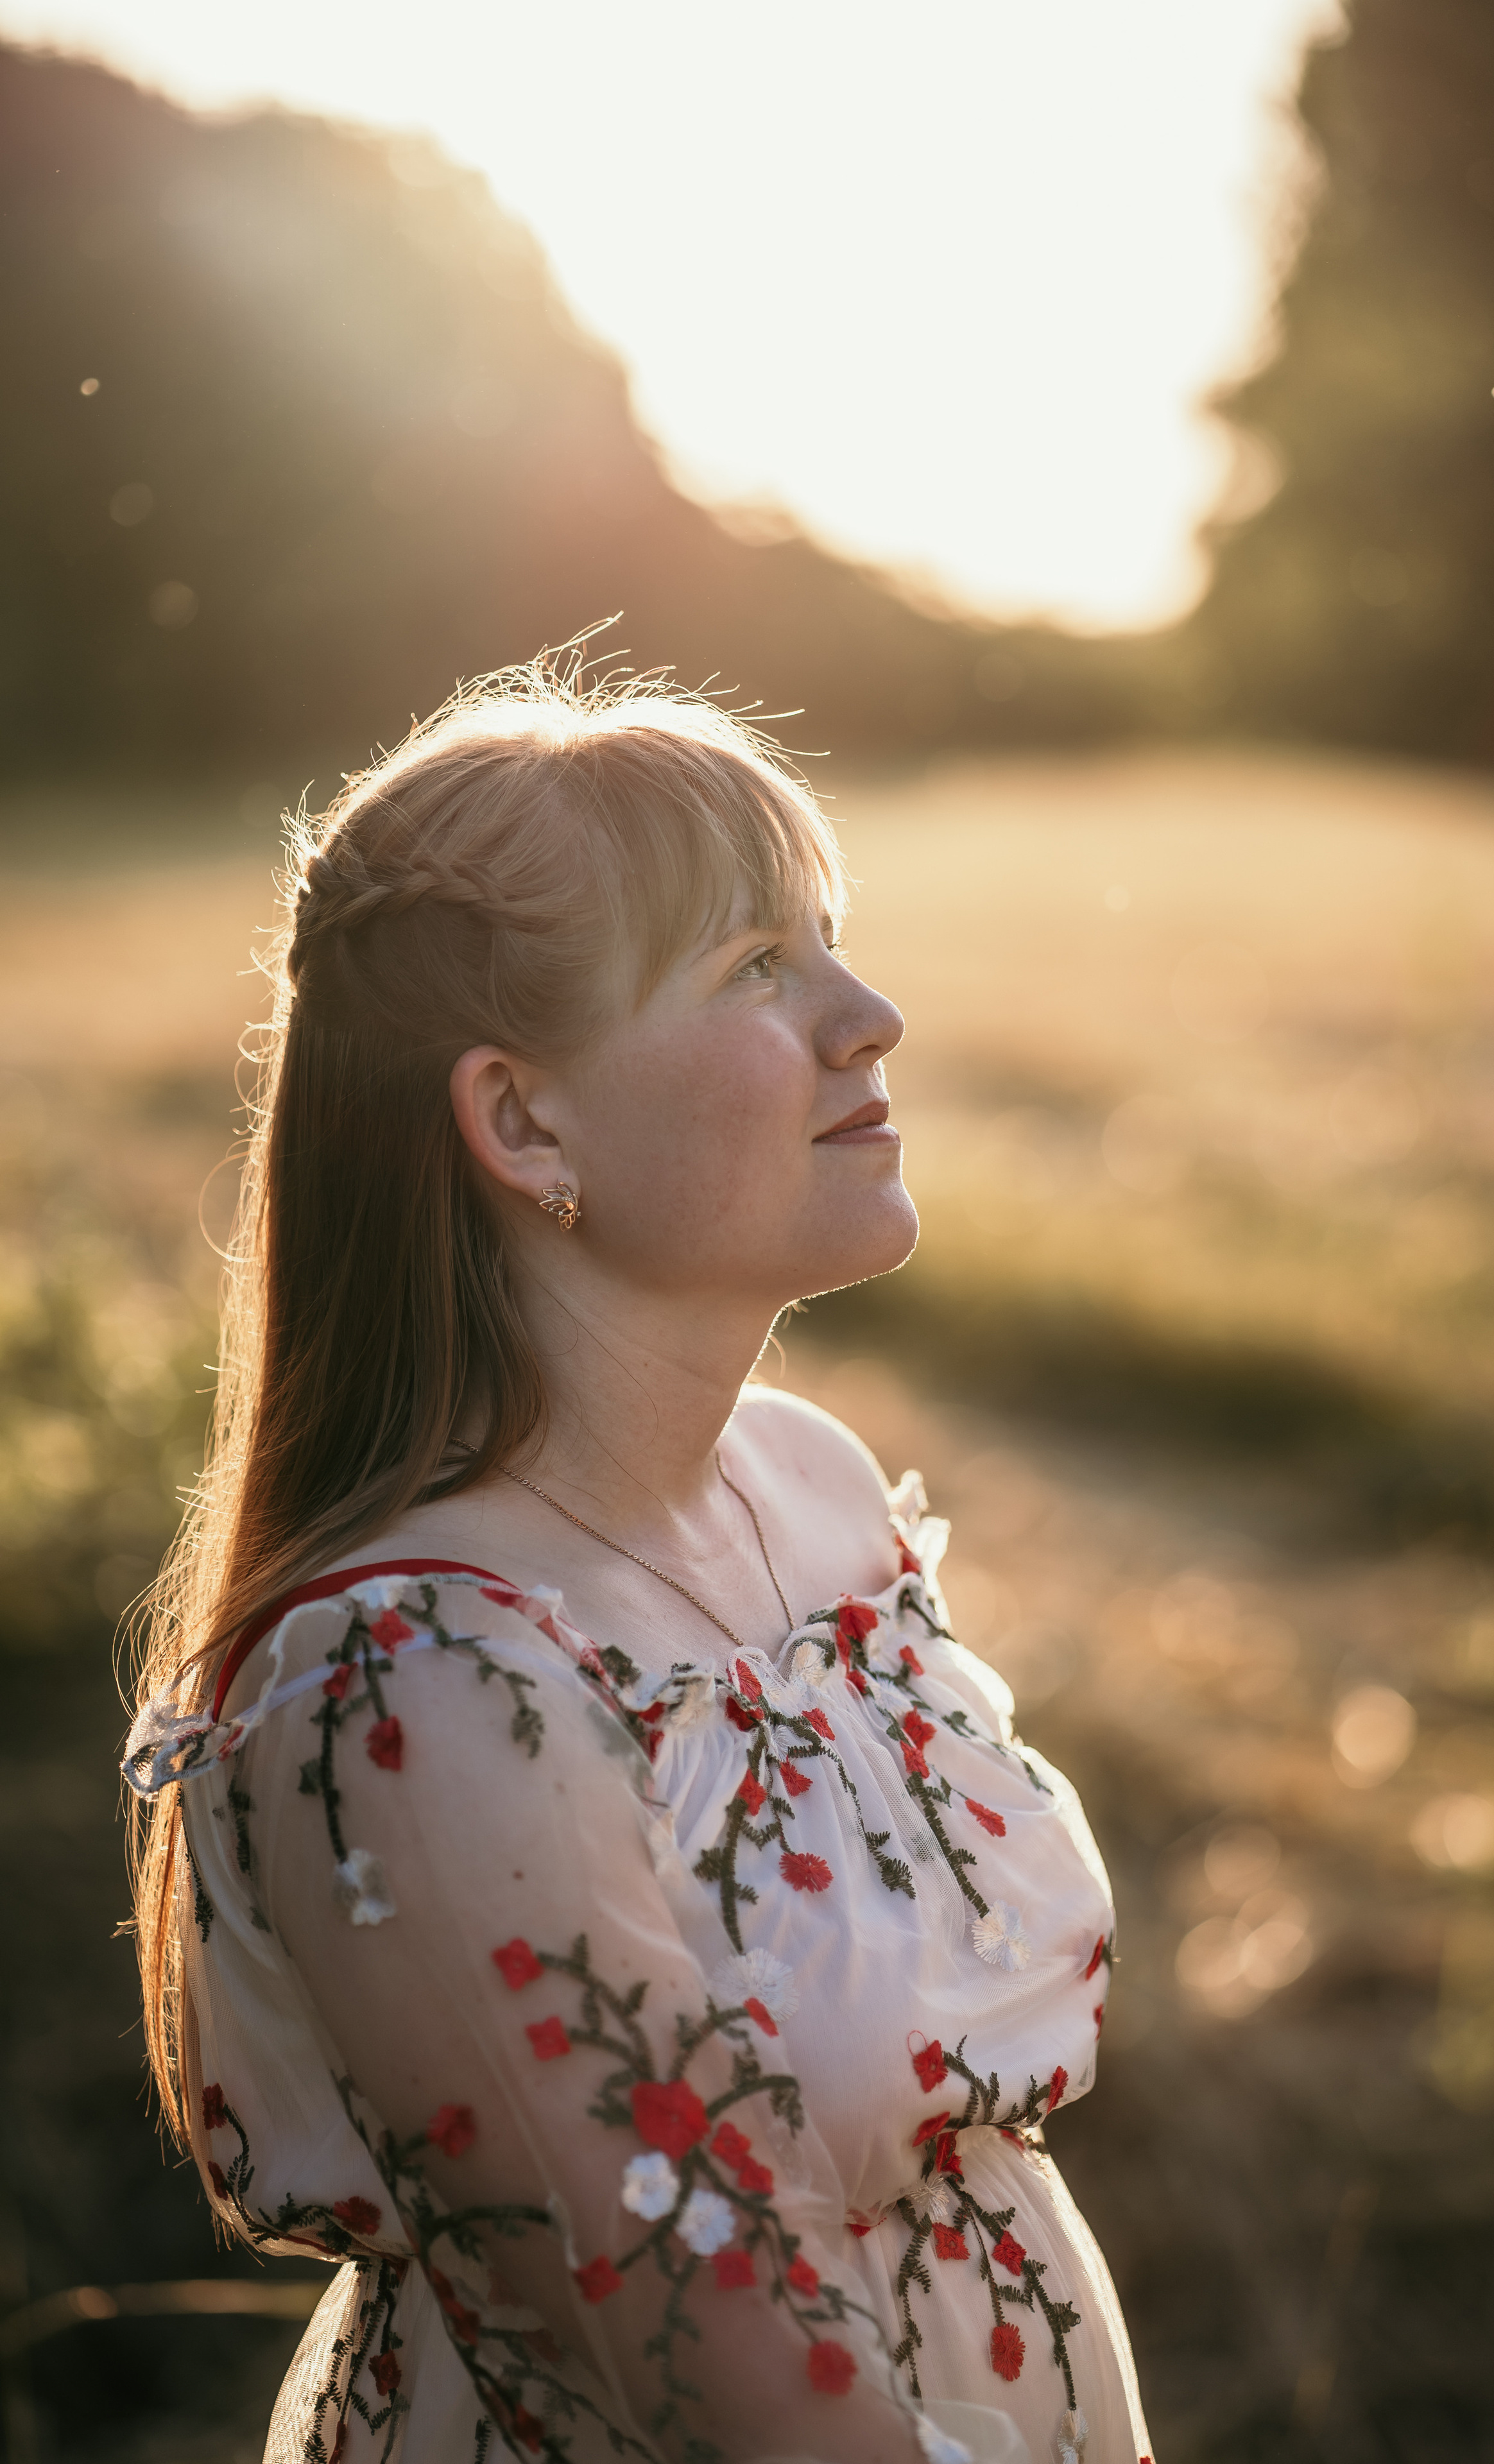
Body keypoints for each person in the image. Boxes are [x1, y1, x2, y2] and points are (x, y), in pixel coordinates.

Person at [123, 668, 1153, 2464]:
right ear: (525, 1126)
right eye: (754, 965)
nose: (871, 1018)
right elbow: (722, 2397)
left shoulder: (811, 1488)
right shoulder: (407, 1684)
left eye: (830, 942)